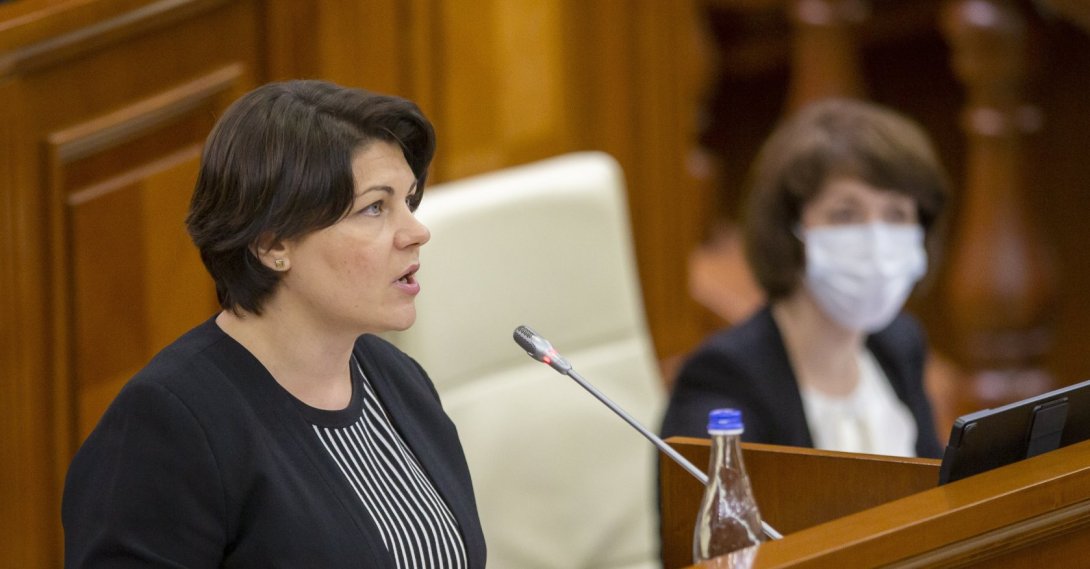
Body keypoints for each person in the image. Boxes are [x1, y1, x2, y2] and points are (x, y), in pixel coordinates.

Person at [62, 80, 487, 568]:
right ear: (272, 245)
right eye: (375, 207)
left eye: (408, 201)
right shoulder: (169, 425)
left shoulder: (396, 379)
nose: (417, 231)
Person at [661, 98, 947, 458]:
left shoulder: (899, 344)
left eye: (896, 213)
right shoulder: (723, 380)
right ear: (789, 230)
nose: (877, 239)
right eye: (845, 214)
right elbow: (711, 512)